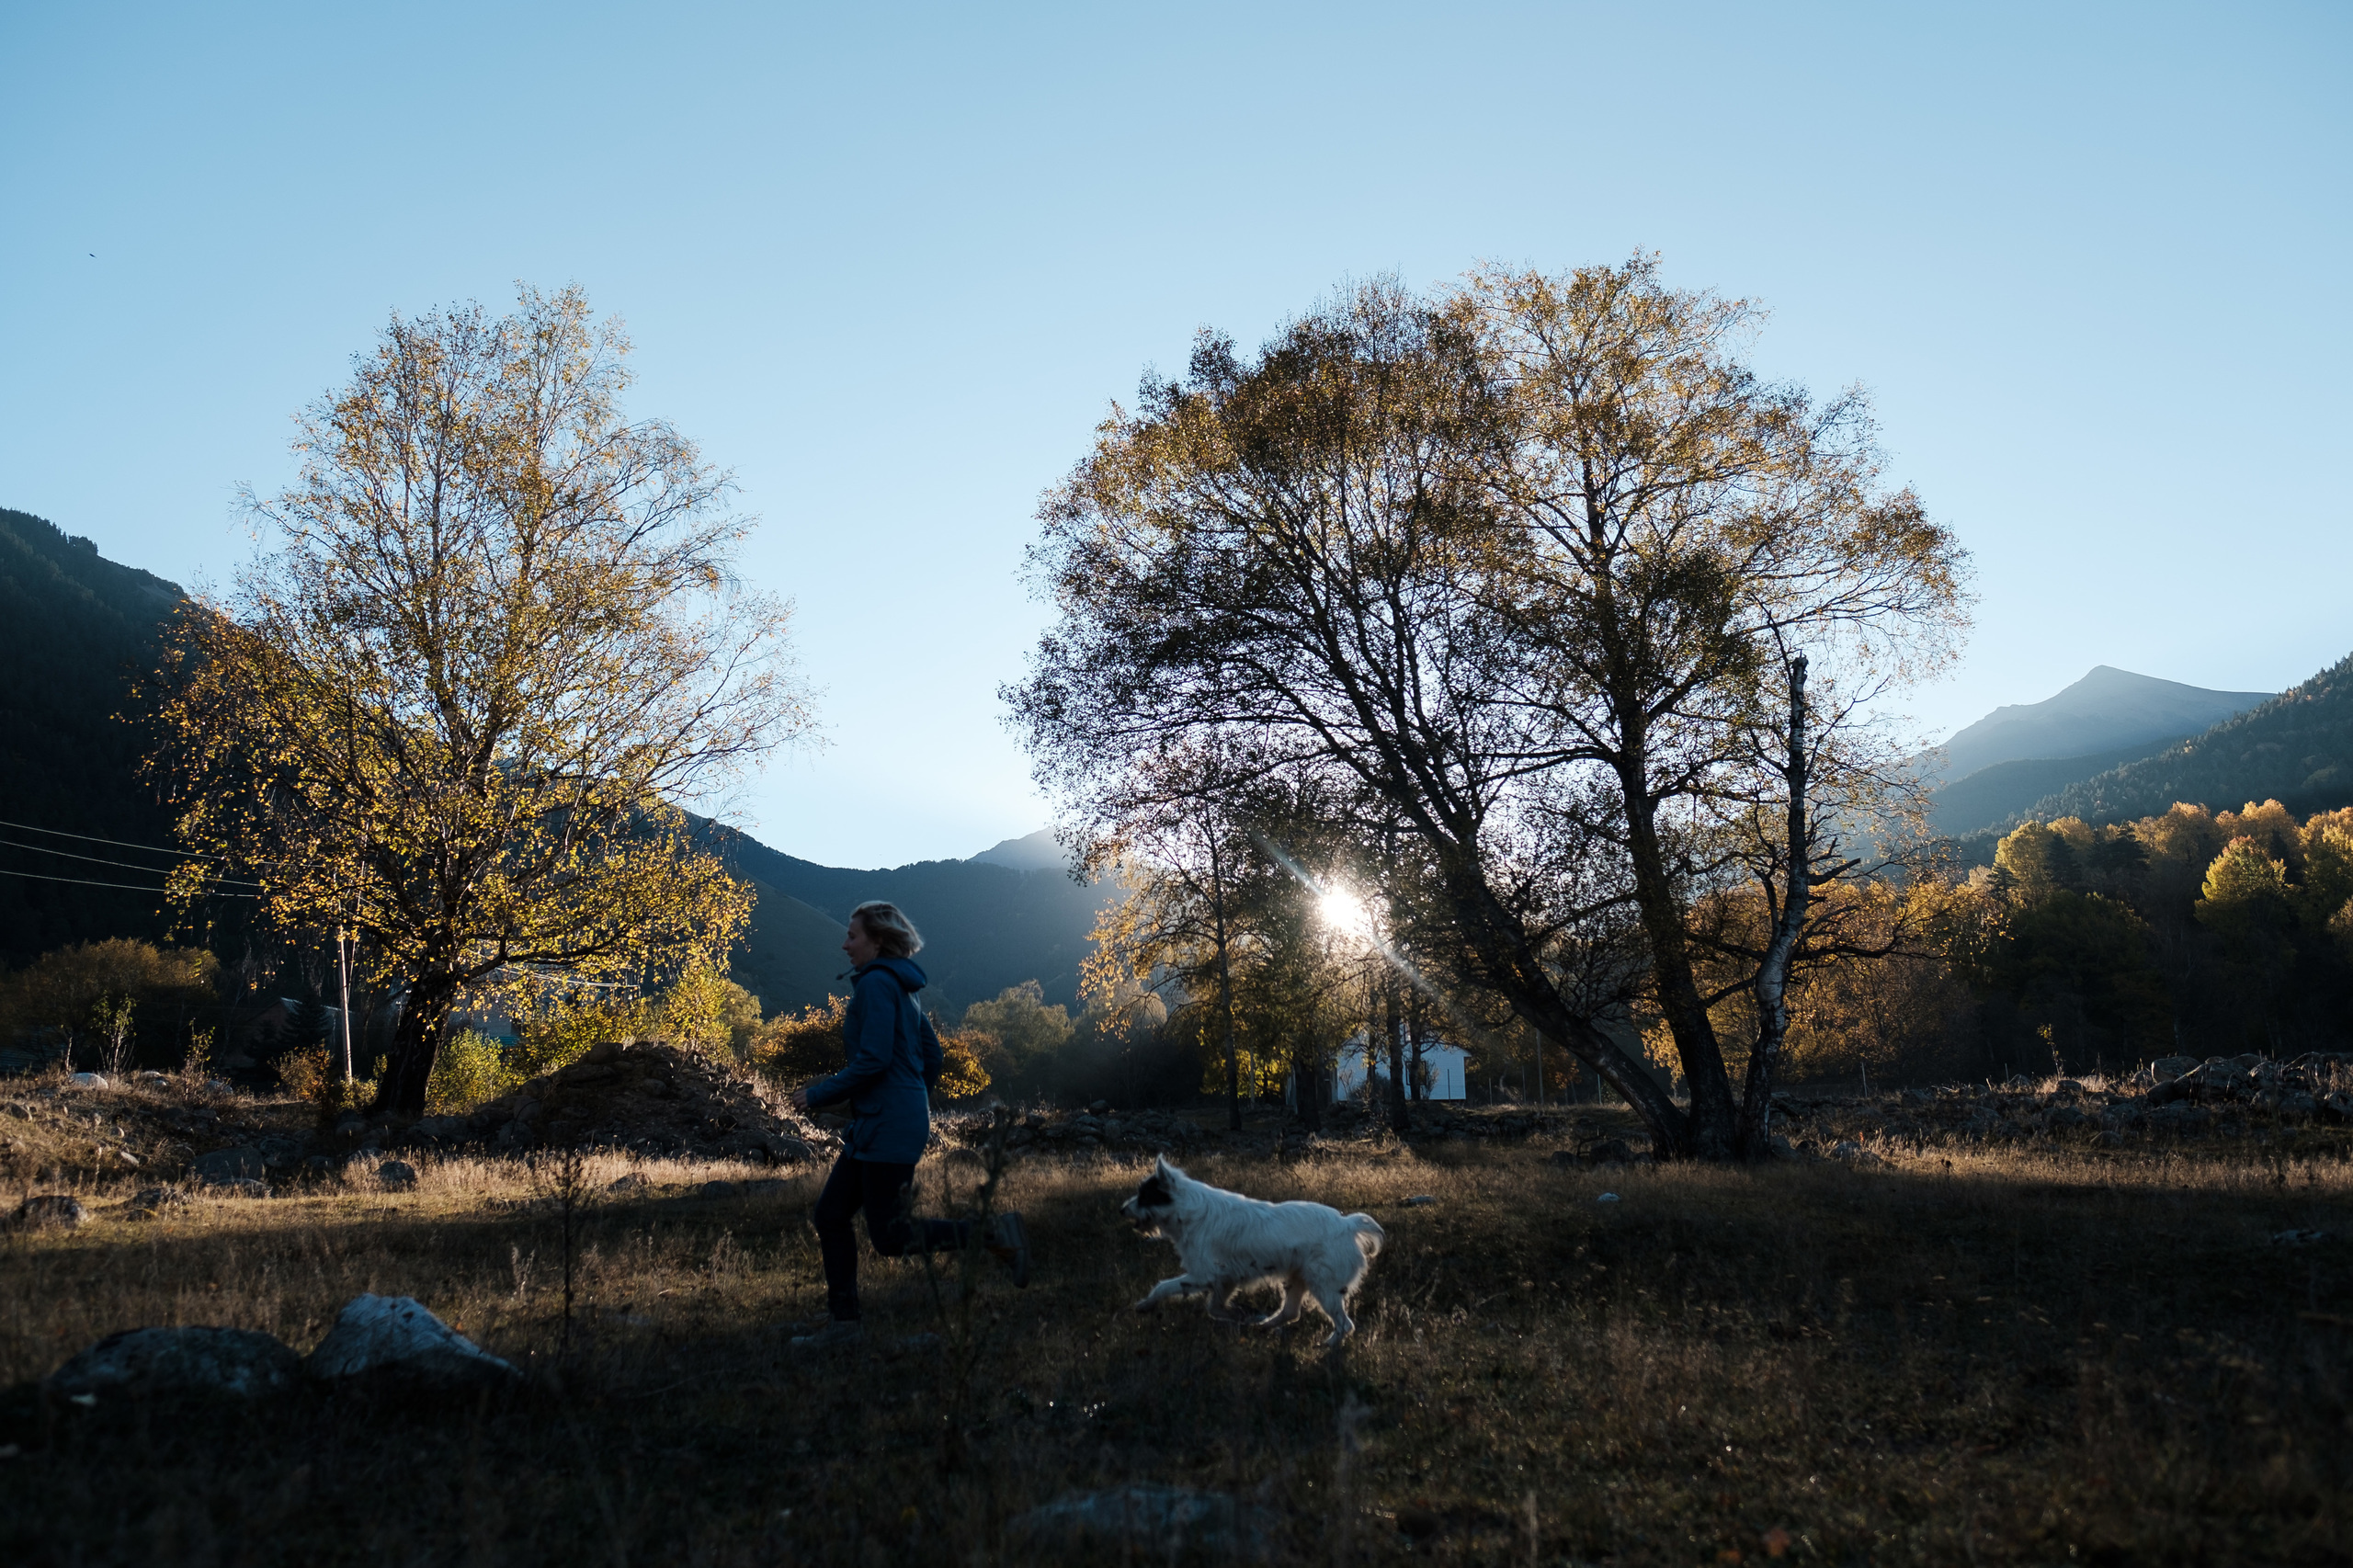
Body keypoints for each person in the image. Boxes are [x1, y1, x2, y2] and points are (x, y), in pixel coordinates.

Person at [786, 900, 1029, 1350]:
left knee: (891, 1236)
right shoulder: (904, 987)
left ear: (877, 941)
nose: (844, 944)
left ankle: (993, 1234)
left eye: (852, 936)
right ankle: (843, 1324)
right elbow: (931, 1057)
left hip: (888, 1126)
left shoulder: (878, 985)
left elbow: (874, 1060)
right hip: (884, 1122)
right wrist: (910, 1096)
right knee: (831, 1214)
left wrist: (819, 1093)